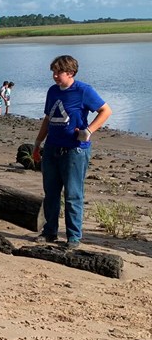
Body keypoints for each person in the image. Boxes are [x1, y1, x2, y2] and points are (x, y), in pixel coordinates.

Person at [32, 55, 112, 248]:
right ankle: (49, 232)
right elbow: (48, 118)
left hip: (75, 151)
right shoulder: (52, 91)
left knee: (73, 195)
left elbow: (106, 111)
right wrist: (37, 143)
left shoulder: (83, 91)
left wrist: (88, 131)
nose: (55, 76)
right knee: (50, 193)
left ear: (70, 73)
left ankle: (73, 237)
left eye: (58, 72)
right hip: (52, 148)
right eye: (53, 72)